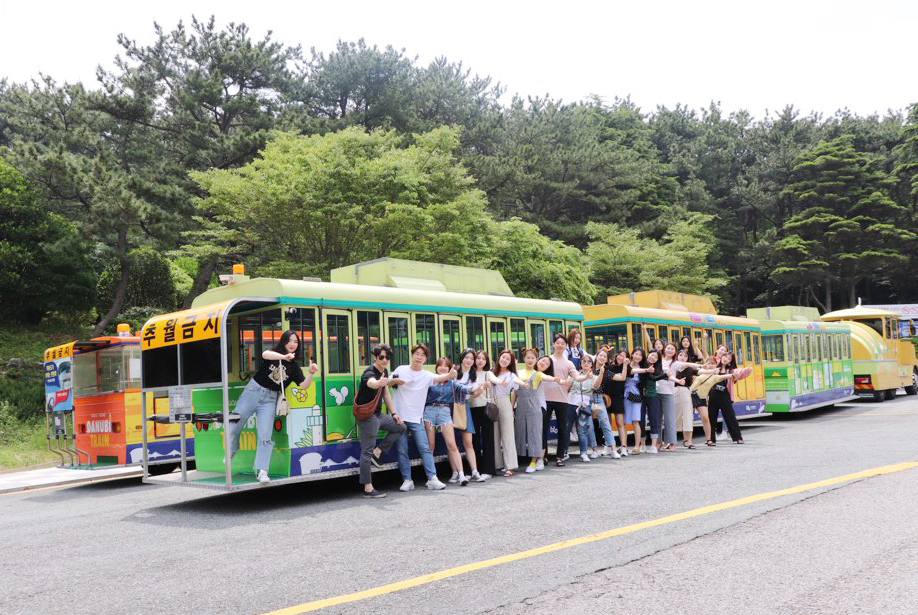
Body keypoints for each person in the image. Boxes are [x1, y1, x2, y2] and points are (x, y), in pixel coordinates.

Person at [228, 330, 317, 483]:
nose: (292, 344)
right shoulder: (275, 354)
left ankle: (262, 471)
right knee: (234, 423)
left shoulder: (294, 368)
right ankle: (233, 448)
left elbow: (303, 386)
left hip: (270, 399)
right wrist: (283, 357)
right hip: (253, 391)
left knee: (265, 435)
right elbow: (264, 355)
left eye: (295, 342)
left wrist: (310, 373)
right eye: (289, 340)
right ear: (284, 342)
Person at [392, 344, 456, 491]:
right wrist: (394, 381)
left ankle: (432, 478)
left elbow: (441, 377)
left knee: (425, 448)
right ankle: (407, 480)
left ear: (426, 359)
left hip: (416, 418)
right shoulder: (401, 369)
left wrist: (450, 375)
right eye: (417, 354)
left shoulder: (426, 375)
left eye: (422, 355)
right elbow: (388, 382)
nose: (419, 357)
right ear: (412, 355)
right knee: (402, 450)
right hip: (400, 419)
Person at [423, 357, 487, 486]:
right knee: (431, 446)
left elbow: (466, 389)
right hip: (429, 412)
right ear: (436, 368)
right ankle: (431, 477)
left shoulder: (452, 383)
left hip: (445, 412)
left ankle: (462, 475)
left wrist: (478, 389)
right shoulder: (431, 380)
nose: (443, 368)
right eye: (440, 366)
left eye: (445, 366)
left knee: (452, 444)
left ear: (449, 369)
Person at [355, 343, 406, 498]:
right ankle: (368, 488)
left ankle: (378, 453)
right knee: (366, 452)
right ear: (375, 357)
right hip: (367, 417)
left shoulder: (384, 371)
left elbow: (386, 395)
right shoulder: (369, 372)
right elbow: (370, 382)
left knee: (400, 427)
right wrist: (377, 383)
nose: (385, 360)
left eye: (387, 357)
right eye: (382, 357)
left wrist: (394, 413)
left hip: (378, 415)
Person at [488, 349, 529, 477]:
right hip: (491, 404)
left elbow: (518, 381)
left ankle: (510, 467)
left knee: (507, 435)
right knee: (494, 436)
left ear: (511, 362)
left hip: (504, 402)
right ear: (499, 357)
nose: (504, 360)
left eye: (507, 359)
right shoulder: (491, 372)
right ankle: (497, 465)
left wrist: (523, 384)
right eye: (503, 357)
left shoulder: (511, 375)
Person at [542, 334, 580, 466]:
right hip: (545, 399)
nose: (560, 345)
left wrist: (586, 376)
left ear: (565, 346)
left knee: (563, 429)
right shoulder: (547, 360)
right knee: (543, 428)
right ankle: (543, 456)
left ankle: (560, 456)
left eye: (562, 343)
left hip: (563, 400)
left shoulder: (568, 363)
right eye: (558, 343)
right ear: (553, 344)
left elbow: (577, 377)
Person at [516, 350, 557, 473]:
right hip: (521, 406)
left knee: (535, 434)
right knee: (520, 432)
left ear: (535, 359)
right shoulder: (518, 372)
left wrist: (557, 379)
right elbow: (515, 392)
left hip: (536, 406)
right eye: (528, 357)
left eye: (532, 358)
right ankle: (517, 460)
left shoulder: (538, 374)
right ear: (524, 358)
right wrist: (513, 406)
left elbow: (547, 377)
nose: (530, 360)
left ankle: (534, 461)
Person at [454, 348, 491, 482]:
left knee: (468, 442)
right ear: (462, 358)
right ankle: (457, 472)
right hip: (452, 408)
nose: (469, 360)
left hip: (464, 407)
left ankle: (475, 471)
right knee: (452, 443)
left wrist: (480, 390)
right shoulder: (454, 372)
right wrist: (473, 389)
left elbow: (473, 394)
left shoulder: (473, 375)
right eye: (466, 357)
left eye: (471, 358)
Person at [588, 350, 623, 459]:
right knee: (589, 425)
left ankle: (613, 449)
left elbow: (622, 377)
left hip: (597, 399)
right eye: (600, 355)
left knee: (605, 423)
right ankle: (594, 450)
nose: (602, 358)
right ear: (596, 356)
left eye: (605, 356)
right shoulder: (589, 369)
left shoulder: (606, 372)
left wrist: (625, 366)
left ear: (607, 360)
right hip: (586, 399)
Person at [469, 350, 497, 476]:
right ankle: (476, 469)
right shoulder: (470, 373)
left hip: (485, 408)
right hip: (471, 409)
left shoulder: (488, 373)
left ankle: (488, 470)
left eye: (483, 359)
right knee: (473, 440)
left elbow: (495, 379)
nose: (480, 360)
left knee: (488, 439)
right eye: (478, 358)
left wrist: (502, 381)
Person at [641, 349, 669, 454]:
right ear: (648, 354)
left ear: (657, 360)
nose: (653, 357)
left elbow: (664, 377)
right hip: (640, 396)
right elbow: (651, 378)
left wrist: (675, 379)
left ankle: (653, 445)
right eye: (651, 355)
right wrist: (664, 375)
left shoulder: (657, 369)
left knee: (654, 420)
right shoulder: (642, 365)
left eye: (655, 357)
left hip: (652, 396)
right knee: (640, 420)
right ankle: (642, 444)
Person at [624, 348, 650, 454]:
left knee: (635, 421)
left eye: (640, 355)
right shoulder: (626, 364)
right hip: (625, 395)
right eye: (636, 354)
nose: (638, 356)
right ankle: (623, 446)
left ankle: (636, 447)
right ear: (632, 354)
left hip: (635, 395)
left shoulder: (642, 368)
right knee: (624, 422)